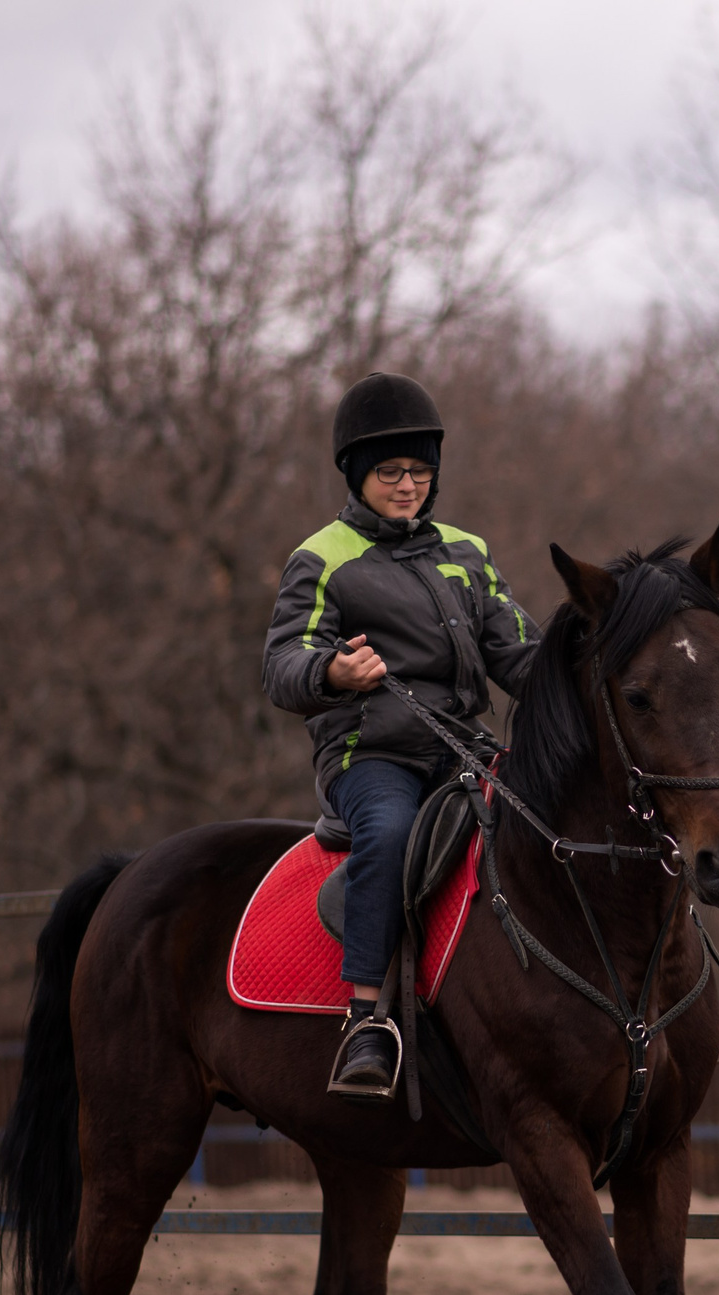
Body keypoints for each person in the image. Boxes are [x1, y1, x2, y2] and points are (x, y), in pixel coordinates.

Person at [264, 373, 542, 1100]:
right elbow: (280, 664)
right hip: (371, 754)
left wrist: (593, 674)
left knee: (561, 813)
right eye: (391, 472)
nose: (409, 485)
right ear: (357, 474)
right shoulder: (321, 556)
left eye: (421, 471)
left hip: (464, 748)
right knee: (389, 833)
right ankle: (365, 1019)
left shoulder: (467, 551)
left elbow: (518, 652)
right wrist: (334, 670)